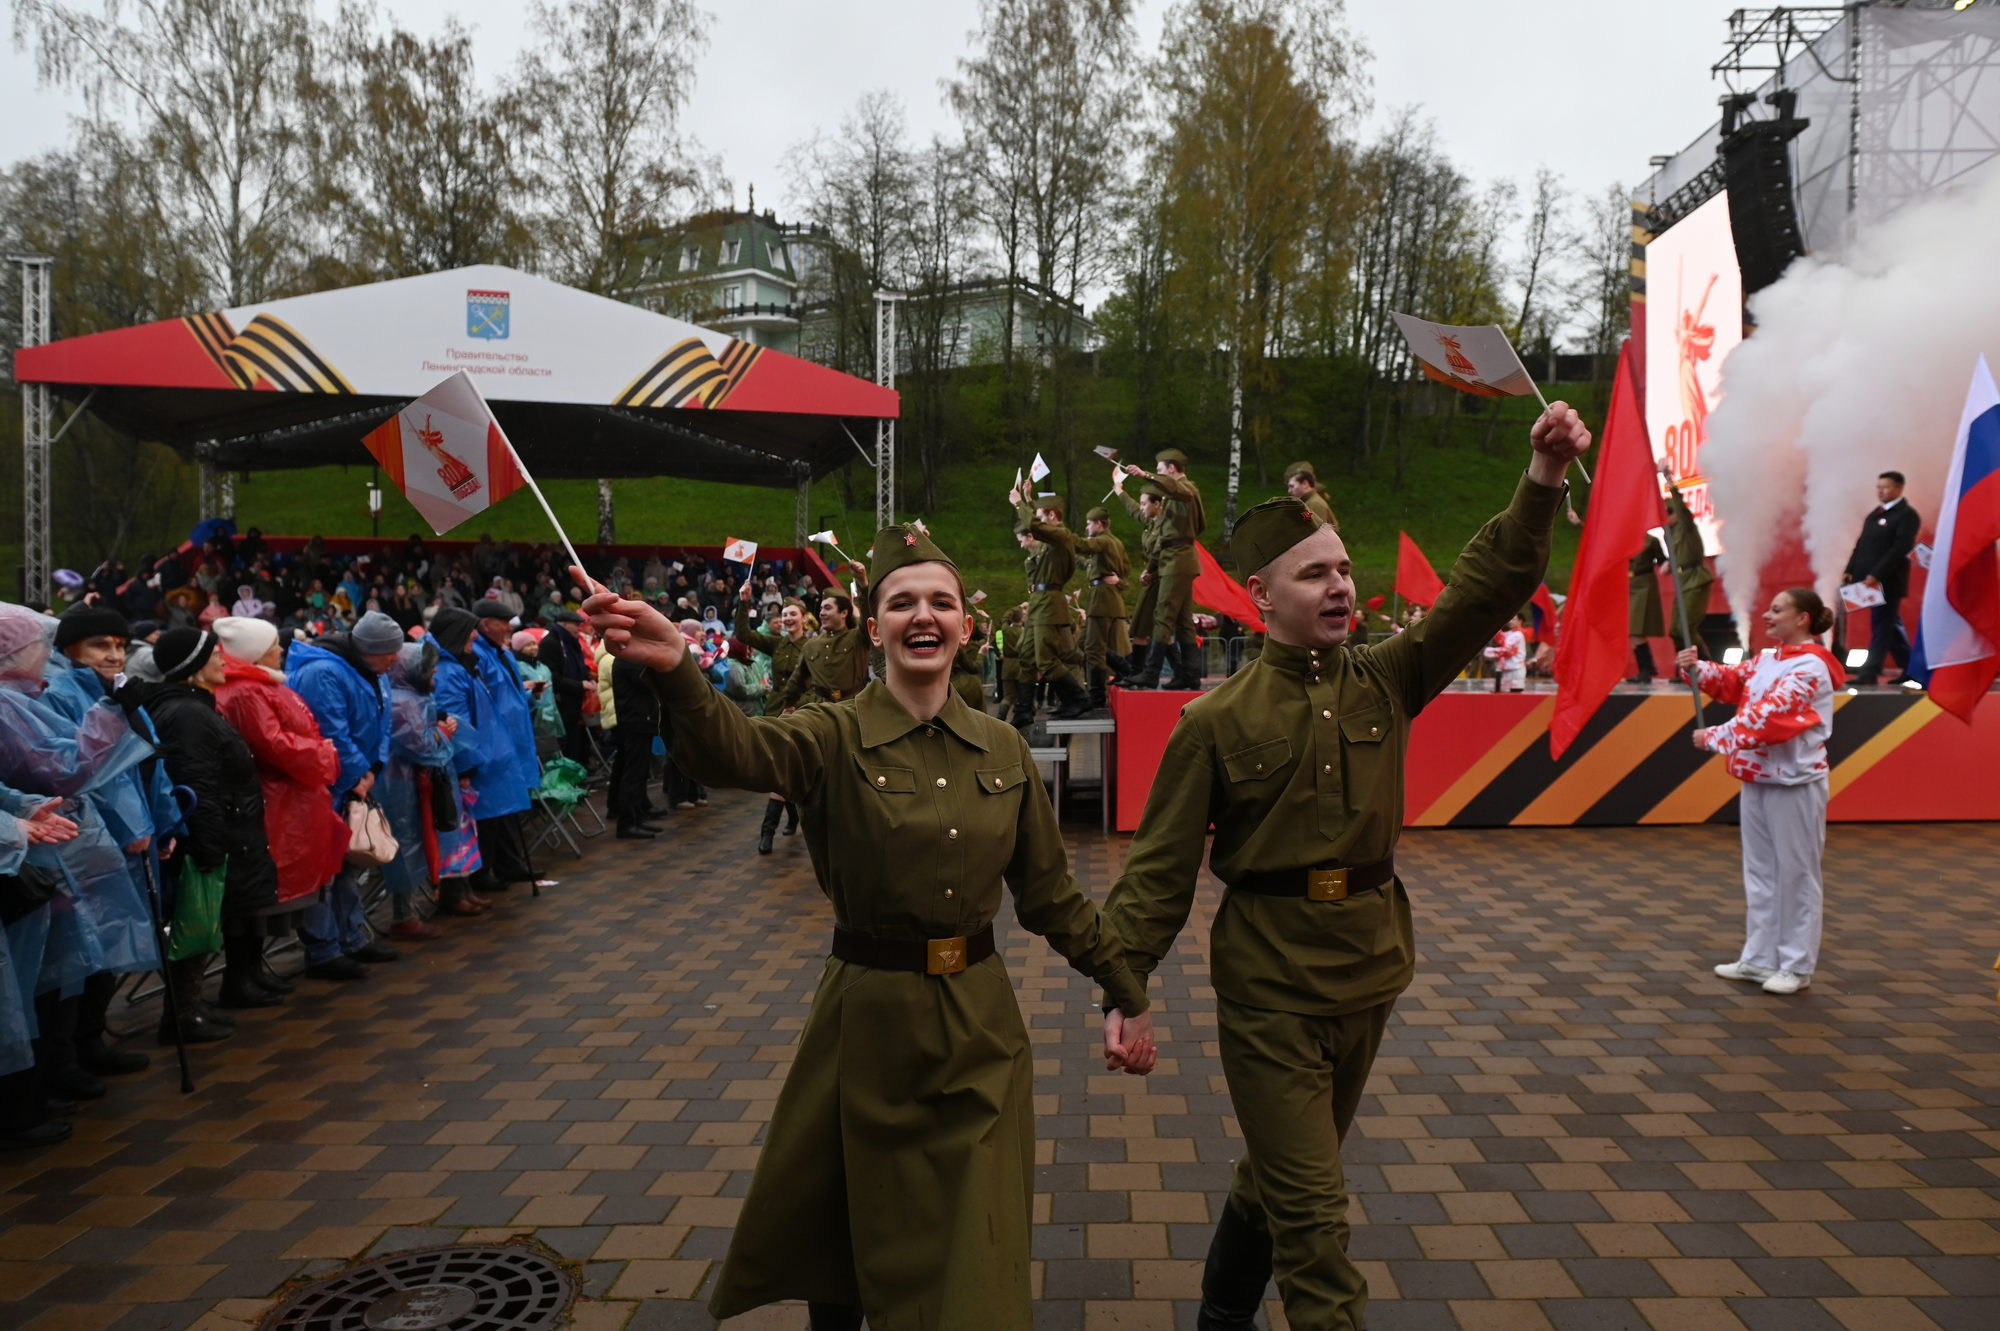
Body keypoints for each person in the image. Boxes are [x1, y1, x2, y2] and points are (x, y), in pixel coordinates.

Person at [576, 528, 1156, 1331]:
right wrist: (678, 664)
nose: (924, 615)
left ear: (965, 626)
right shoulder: (830, 733)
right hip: (867, 1024)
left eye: (941, 602)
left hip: (981, 1030)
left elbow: (1052, 895)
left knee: (975, 1255)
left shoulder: (1005, 750)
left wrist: (1123, 987)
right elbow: (732, 751)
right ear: (873, 625)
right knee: (847, 1242)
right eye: (902, 602)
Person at [1101, 403, 1590, 1331]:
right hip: (1269, 986)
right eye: (1313, 573)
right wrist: (1123, 989)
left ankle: (1218, 1314)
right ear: (1260, 593)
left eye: (1341, 568)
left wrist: (1541, 478)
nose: (1339, 586)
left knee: (1283, 1175)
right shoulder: (1213, 723)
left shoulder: (1384, 676)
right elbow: (1158, 873)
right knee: (1316, 1228)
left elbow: (1484, 589)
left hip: (1369, 971)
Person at [1677, 587, 1841, 997]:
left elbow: (1772, 715)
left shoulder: (1812, 667)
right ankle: (1760, 958)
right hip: (1757, 777)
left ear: (1803, 618)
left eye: (1777, 609)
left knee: (1796, 874)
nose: (1767, 615)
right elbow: (1734, 682)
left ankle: (1796, 965)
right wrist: (1698, 669)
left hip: (1796, 782)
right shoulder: (1769, 659)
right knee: (1762, 873)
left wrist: (1716, 736)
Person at [144, 628, 285, 1040]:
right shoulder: (188, 714)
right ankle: (182, 1016)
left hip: (226, 827)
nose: (223, 660)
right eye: (213, 655)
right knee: (196, 923)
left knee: (206, 922)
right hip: (210, 834)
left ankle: (190, 1008)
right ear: (192, 667)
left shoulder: (196, 707)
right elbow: (197, 782)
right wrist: (208, 846)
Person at [209, 616, 346, 999]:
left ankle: (252, 971)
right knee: (255, 897)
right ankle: (240, 978)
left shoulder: (259, 686)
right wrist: (324, 755)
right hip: (274, 802)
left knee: (263, 896)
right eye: (273, 645)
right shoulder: (247, 692)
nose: (281, 649)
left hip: (285, 800)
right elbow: (275, 746)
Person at [286, 610, 403, 979]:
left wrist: (374, 767)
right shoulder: (324, 673)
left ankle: (352, 936)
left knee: (351, 863)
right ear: (369, 649)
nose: (395, 660)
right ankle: (324, 949)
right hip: (328, 785)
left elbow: (384, 724)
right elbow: (329, 729)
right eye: (389, 652)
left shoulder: (374, 672)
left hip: (357, 782)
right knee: (326, 869)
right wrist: (357, 772)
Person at [380, 640, 461, 937]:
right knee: (406, 846)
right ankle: (403, 916)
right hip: (400, 785)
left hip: (412, 783)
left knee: (414, 844)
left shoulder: (410, 696)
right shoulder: (403, 702)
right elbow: (422, 746)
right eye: (429, 667)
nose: (435, 671)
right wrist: (442, 732)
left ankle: (408, 912)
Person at [466, 600, 545, 889]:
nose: (509, 628)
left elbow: (508, 692)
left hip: (513, 738)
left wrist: (529, 697)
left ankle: (510, 864)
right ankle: (484, 871)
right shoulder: (477, 653)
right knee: (491, 811)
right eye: (503, 622)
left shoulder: (502, 652)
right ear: (486, 623)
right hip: (494, 741)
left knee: (509, 807)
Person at [427, 608, 501, 916]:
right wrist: (467, 765)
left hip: (463, 760)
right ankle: (454, 892)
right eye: (469, 630)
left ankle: (463, 887)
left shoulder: (458, 663)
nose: (475, 636)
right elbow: (458, 724)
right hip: (454, 765)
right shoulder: (447, 670)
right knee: (456, 830)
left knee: (465, 831)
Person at [1008, 484, 1098, 725]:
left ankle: (1078, 699)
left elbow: (1034, 527)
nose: (1038, 521)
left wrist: (1019, 503)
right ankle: (1023, 711)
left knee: (1045, 659)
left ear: (1052, 516)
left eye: (1041, 515)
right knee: (1027, 657)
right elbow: (1035, 530)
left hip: (1049, 604)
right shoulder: (1053, 540)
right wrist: (1029, 498)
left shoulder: (1062, 536)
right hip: (1040, 603)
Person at [1115, 449, 1204, 690]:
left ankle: (1151, 673)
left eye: (1161, 469)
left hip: (1177, 561)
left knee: (1163, 617)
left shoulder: (1186, 489)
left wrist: (1145, 474)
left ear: (1172, 469)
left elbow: (1178, 493)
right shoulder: (1175, 494)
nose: (1159, 474)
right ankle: (1190, 675)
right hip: (1176, 560)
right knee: (1184, 622)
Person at [734, 580, 809, 852]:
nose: (787, 619)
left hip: (802, 712)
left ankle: (777, 826)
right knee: (781, 767)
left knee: (787, 767)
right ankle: (776, 827)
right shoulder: (777, 645)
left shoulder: (813, 647)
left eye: (792, 614)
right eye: (784, 615)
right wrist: (744, 601)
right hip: (776, 711)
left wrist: (801, 706)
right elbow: (743, 634)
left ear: (803, 619)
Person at [1841, 470, 1921, 686]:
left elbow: (1900, 548)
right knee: (1889, 627)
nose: (1881, 491)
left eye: (1885, 487)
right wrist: (1850, 569)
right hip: (1868, 581)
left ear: (1899, 488)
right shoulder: (1874, 514)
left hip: (1887, 580)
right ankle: (1913, 670)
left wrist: (1877, 574)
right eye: (1878, 487)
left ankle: (1870, 672)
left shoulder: (1907, 515)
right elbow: (1861, 544)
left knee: (1882, 627)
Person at [1627, 535, 1668, 683]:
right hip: (1628, 583)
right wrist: (1580, 524)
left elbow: (1662, 560)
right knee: (1632, 631)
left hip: (1644, 584)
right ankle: (1646, 668)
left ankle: (1647, 668)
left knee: (1636, 629)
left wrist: (1666, 565)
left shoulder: (1651, 541)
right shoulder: (1624, 538)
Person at [1284, 461, 1338, 529]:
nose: (1289, 491)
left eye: (1292, 486)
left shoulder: (1314, 504)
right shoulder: (1309, 502)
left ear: (1305, 484)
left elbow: (1315, 533)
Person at [1483, 614, 1528, 693]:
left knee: (1515, 696)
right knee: (1505, 695)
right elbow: (1501, 638)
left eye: (1514, 619)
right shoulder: (1510, 633)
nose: (1510, 622)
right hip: (1506, 670)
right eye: (1510, 619)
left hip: (1516, 670)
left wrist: (1488, 651)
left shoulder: (1519, 635)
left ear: (1520, 621)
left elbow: (1506, 651)